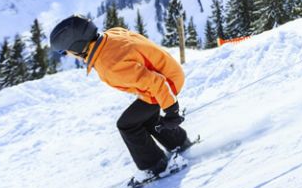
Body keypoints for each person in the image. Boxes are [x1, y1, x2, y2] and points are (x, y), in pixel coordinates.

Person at [50, 15, 194, 179]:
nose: (67, 55)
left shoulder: (109, 64)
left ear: (77, 46)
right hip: (168, 71)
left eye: (64, 51)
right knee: (143, 117)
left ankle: (155, 166)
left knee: (127, 125)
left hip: (167, 83)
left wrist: (171, 110)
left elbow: (157, 82)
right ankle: (179, 143)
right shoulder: (111, 35)